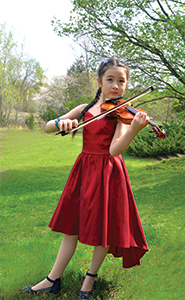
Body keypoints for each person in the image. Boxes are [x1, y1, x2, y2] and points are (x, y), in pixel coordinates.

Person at [23, 57, 149, 299]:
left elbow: (114, 150)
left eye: (121, 81)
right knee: (71, 227)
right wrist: (63, 122)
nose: (115, 85)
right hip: (84, 170)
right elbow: (49, 126)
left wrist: (133, 129)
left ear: (126, 85)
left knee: (102, 227)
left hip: (109, 173)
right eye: (110, 79)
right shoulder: (85, 110)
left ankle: (89, 280)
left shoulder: (118, 115)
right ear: (99, 81)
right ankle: (53, 278)